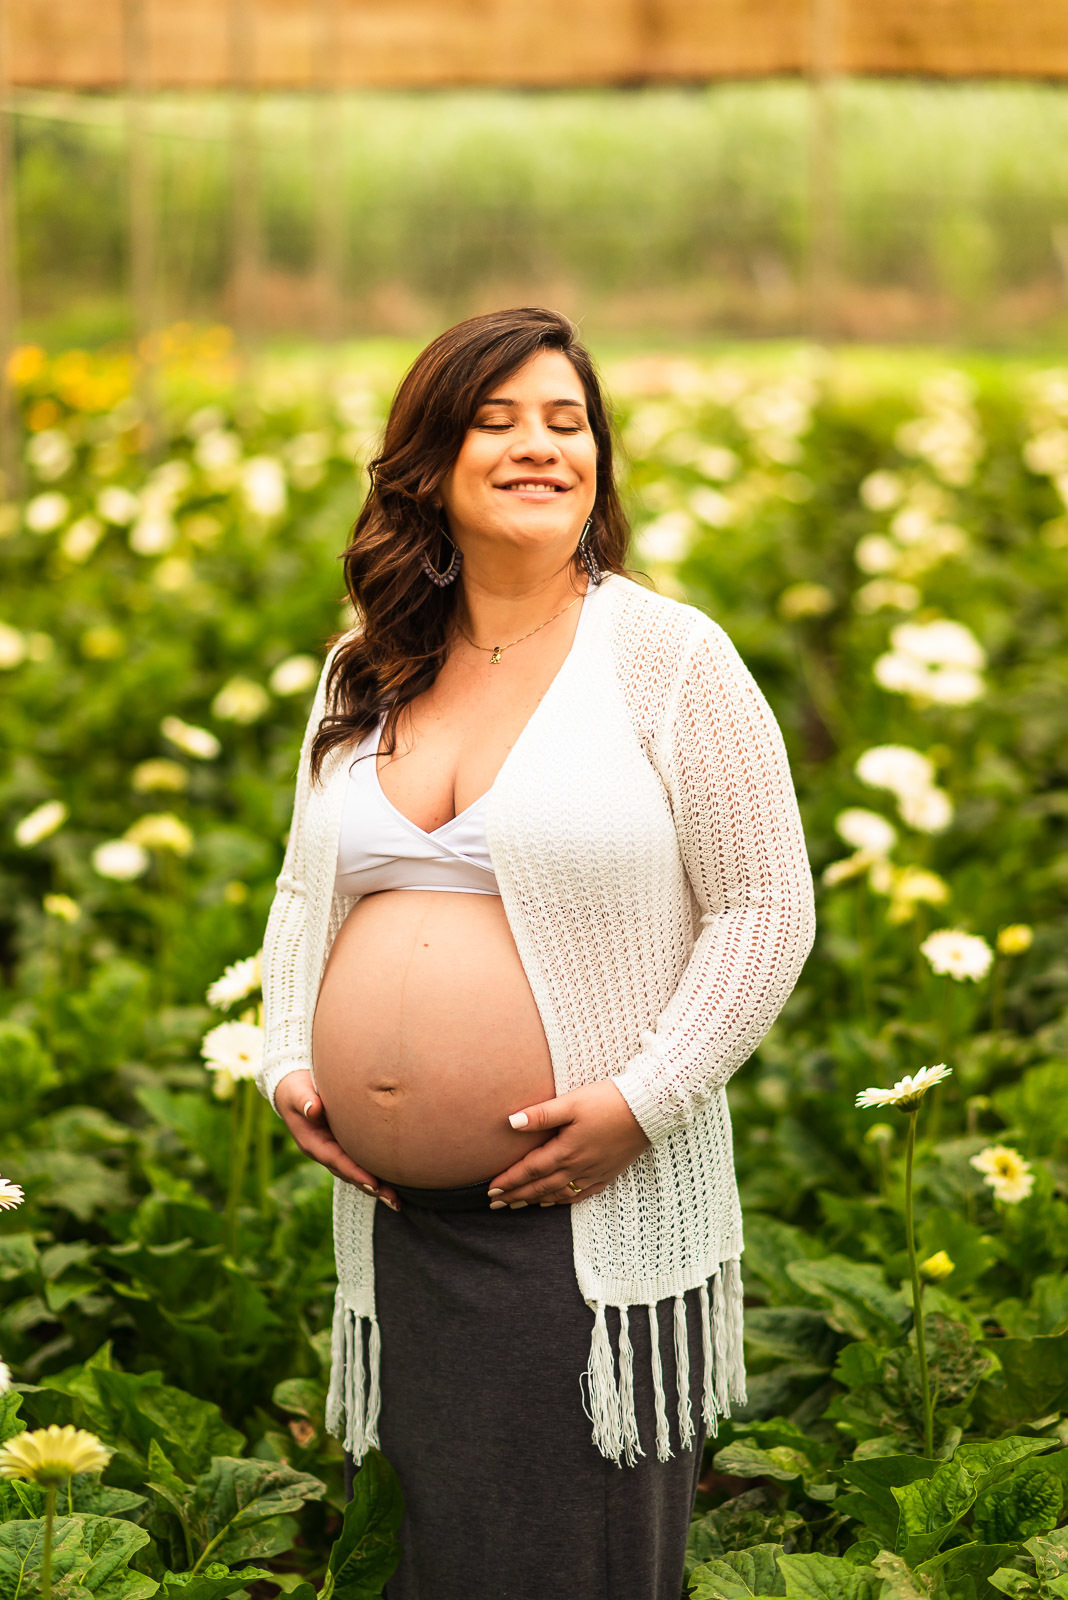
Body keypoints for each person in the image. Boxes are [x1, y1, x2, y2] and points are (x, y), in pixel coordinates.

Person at [256, 306, 816, 1600]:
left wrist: (642, 1101)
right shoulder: (368, 666)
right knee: (432, 1558)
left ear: (601, 461)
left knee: (565, 1562)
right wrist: (291, 1057)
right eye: (498, 421)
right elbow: (304, 890)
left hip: (580, 1212)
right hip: (402, 1225)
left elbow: (765, 908)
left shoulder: (669, 659)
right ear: (430, 463)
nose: (540, 447)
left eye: (569, 423)